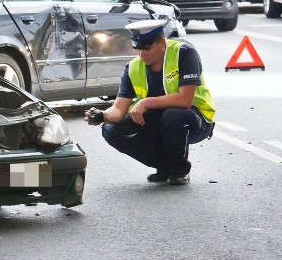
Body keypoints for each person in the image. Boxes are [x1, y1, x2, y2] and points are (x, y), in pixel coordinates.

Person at [85, 19, 215, 185]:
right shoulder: (133, 68)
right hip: (159, 122)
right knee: (111, 129)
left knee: (172, 116)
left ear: (161, 41)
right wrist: (101, 115)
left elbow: (185, 100)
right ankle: (164, 166)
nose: (142, 54)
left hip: (196, 119)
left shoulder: (184, 53)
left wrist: (145, 102)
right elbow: (118, 110)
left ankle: (179, 170)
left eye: (147, 48)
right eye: (138, 49)